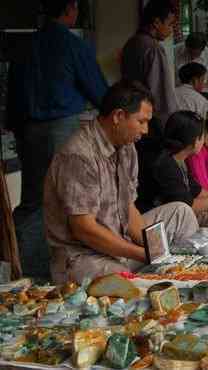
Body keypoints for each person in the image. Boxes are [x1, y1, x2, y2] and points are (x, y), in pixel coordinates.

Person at [44, 81, 199, 285]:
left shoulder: (126, 146)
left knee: (181, 212)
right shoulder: (78, 155)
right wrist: (143, 254)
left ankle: (186, 274)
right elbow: (84, 229)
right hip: (83, 257)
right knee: (130, 283)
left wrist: (157, 250)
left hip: (120, 242)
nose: (145, 130)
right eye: (141, 121)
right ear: (118, 116)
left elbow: (128, 207)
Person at [7, 0, 108, 279]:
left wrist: (17, 129)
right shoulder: (72, 45)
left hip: (27, 129)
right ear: (70, 9)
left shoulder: (26, 45)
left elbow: (12, 94)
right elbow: (99, 93)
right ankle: (57, 272)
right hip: (61, 128)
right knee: (68, 201)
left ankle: (25, 272)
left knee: (33, 200)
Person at [139, 111, 208, 226]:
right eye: (203, 136)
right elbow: (189, 207)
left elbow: (201, 193)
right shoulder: (165, 165)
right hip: (149, 224)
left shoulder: (178, 160)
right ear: (195, 141)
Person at [121, 0, 178, 125]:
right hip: (151, 119)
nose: (171, 30)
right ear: (157, 22)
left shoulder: (131, 43)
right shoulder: (153, 48)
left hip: (132, 112)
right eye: (170, 24)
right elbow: (162, 95)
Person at [175, 32, 208, 99]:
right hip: (179, 89)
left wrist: (200, 85)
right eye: (190, 52)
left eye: (196, 54)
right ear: (186, 46)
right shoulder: (176, 50)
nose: (193, 57)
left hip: (202, 93)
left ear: (203, 49)